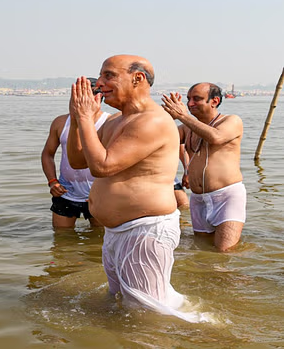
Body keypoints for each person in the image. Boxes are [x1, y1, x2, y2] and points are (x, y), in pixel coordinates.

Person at [67, 55, 198, 322]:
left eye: (109, 76)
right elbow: (79, 160)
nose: (100, 83)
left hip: (145, 231)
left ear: (137, 78)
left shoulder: (152, 121)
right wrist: (77, 117)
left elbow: (102, 167)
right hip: (117, 232)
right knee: (125, 305)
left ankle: (208, 333)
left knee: (147, 316)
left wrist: (83, 117)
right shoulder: (116, 121)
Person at [162, 83, 245, 251]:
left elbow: (216, 137)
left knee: (224, 252)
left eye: (197, 99)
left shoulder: (231, 121)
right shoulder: (187, 127)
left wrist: (182, 116)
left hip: (226, 196)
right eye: (188, 100)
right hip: (198, 198)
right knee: (202, 252)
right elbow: (160, 140)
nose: (190, 104)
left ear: (214, 101)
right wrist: (166, 119)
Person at [41, 78, 113, 229]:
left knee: (98, 243)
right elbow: (47, 154)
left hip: (98, 194)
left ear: (98, 97)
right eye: (76, 95)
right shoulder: (60, 122)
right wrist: (52, 181)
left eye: (84, 95)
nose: (79, 101)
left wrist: (105, 190)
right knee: (62, 242)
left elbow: (116, 162)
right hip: (66, 192)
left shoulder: (110, 122)